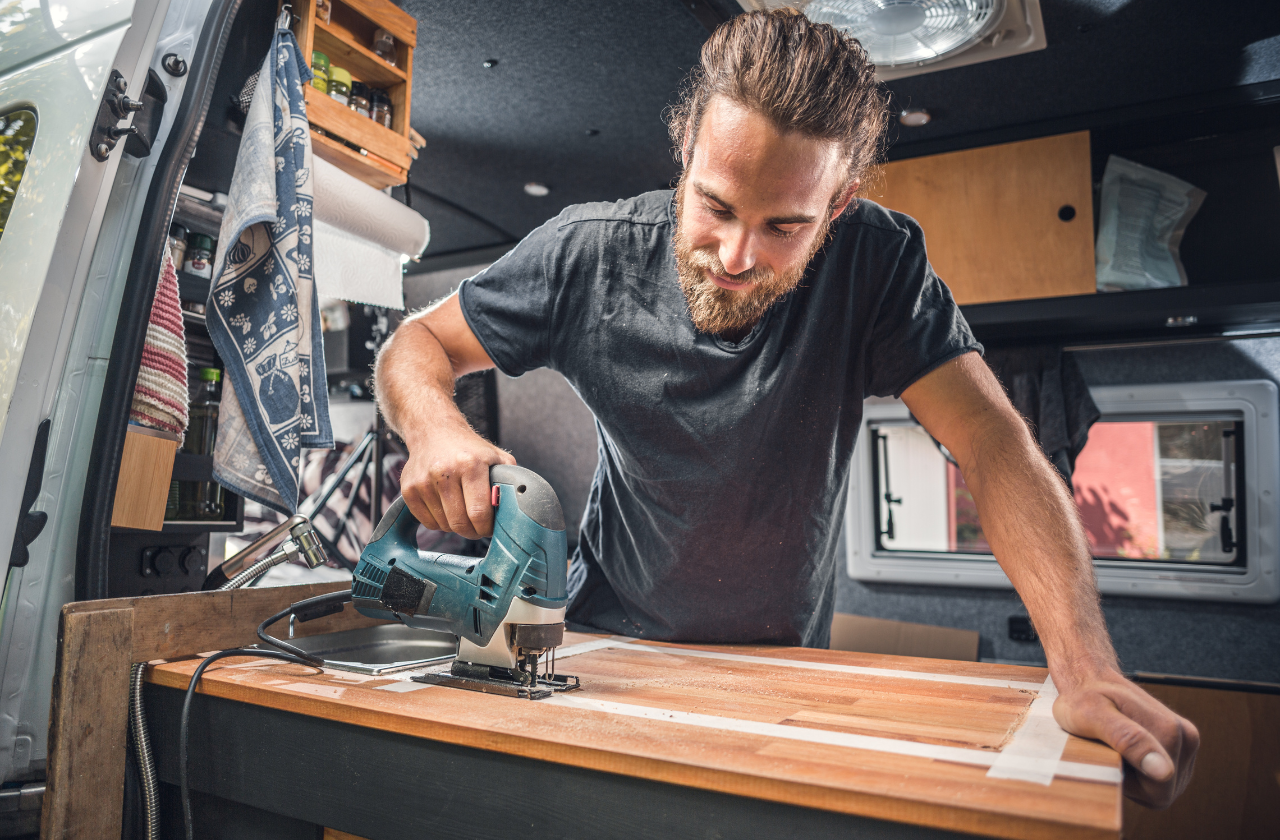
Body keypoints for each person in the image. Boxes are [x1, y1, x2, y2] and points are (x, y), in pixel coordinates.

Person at [375, 9, 1197, 809]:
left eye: (783, 227)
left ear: (836, 210)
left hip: (782, 663)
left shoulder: (877, 262)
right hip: (602, 643)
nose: (737, 256)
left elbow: (991, 440)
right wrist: (437, 428)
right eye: (717, 207)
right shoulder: (587, 254)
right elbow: (415, 345)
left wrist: (1084, 667)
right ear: (686, 150)